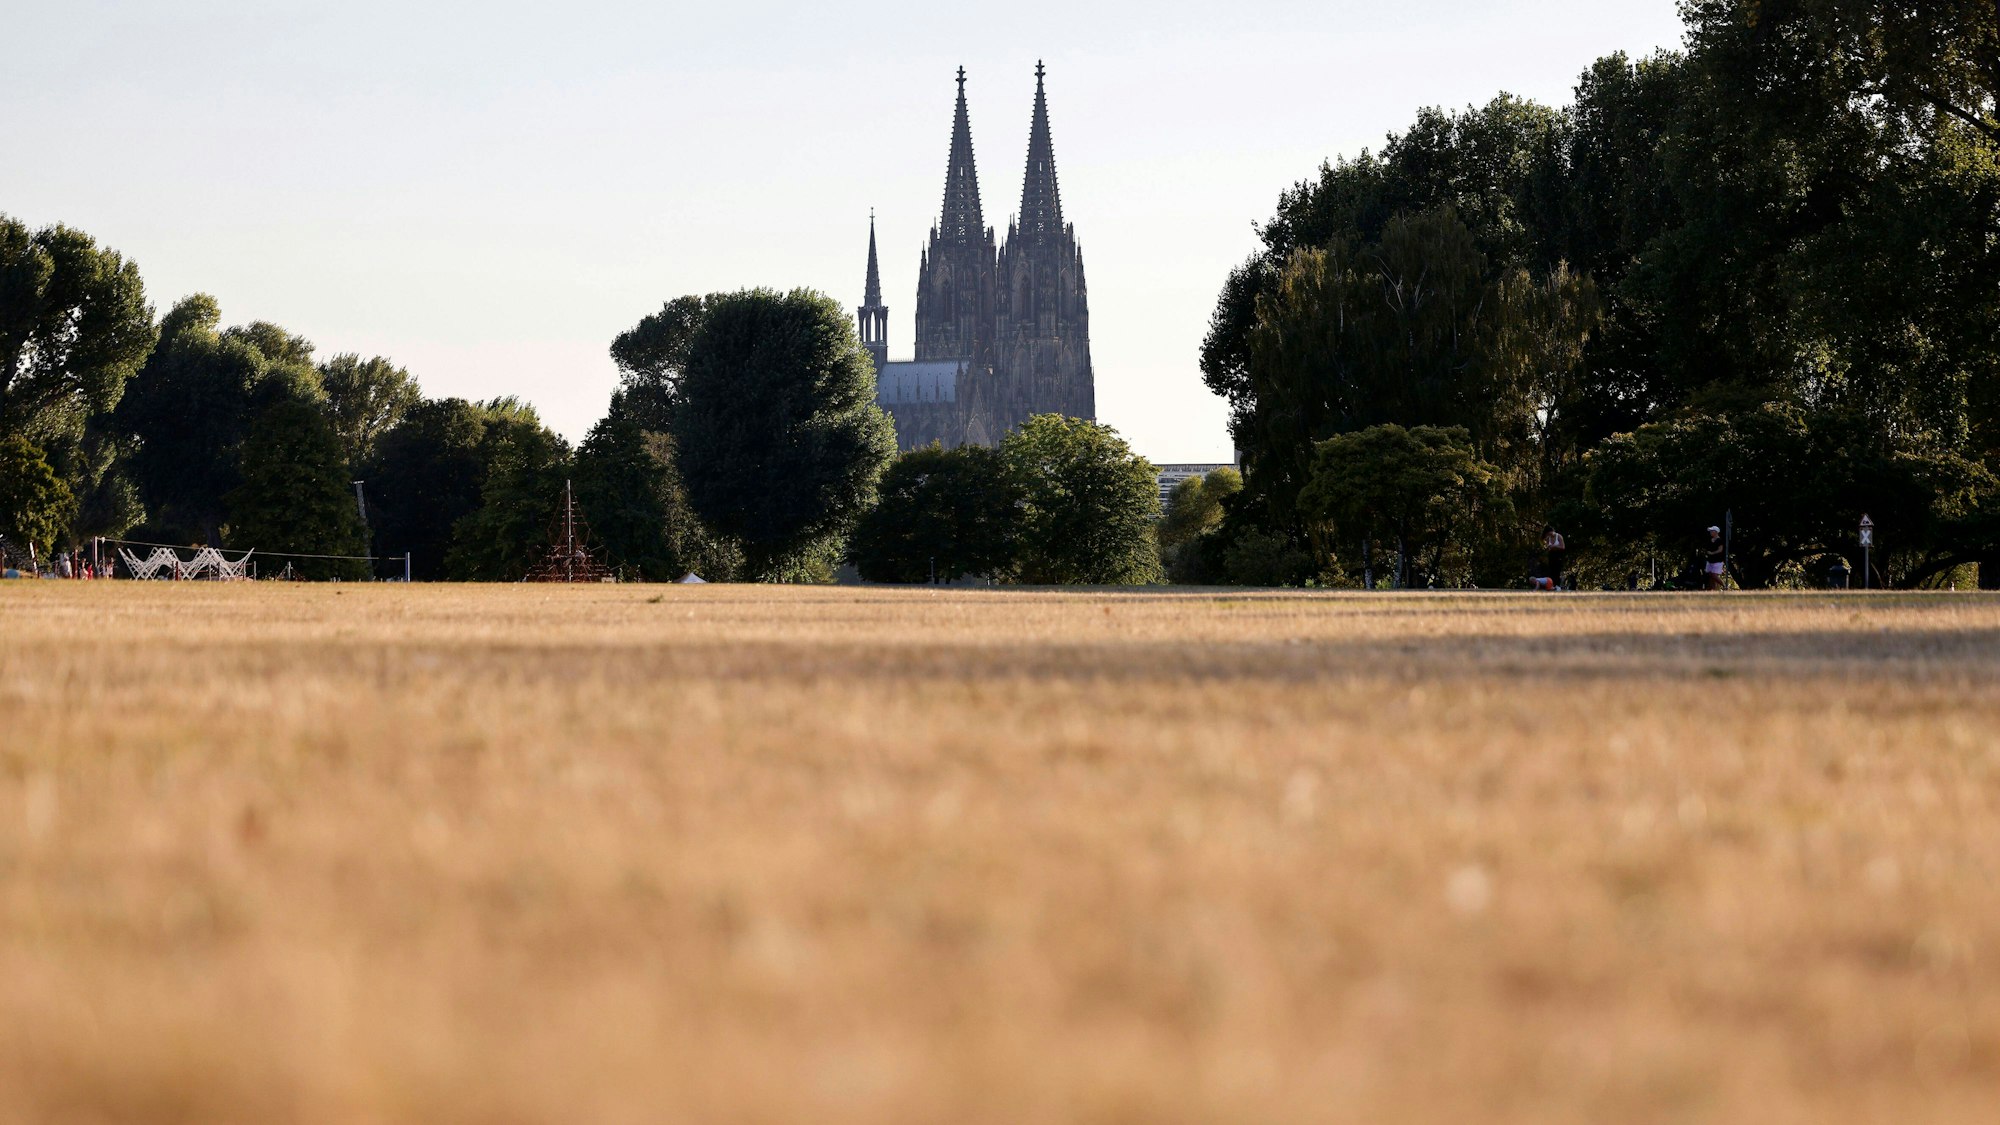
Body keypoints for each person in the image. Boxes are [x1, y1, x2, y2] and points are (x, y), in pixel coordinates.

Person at [1703, 525, 1727, 590]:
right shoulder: (1710, 540)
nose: (1710, 532)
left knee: (1714, 575)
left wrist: (1712, 553)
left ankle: (1725, 586)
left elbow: (1720, 550)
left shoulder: (1719, 540)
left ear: (1716, 532)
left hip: (1718, 560)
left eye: (1711, 531)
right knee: (1711, 576)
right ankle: (1713, 590)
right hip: (1710, 560)